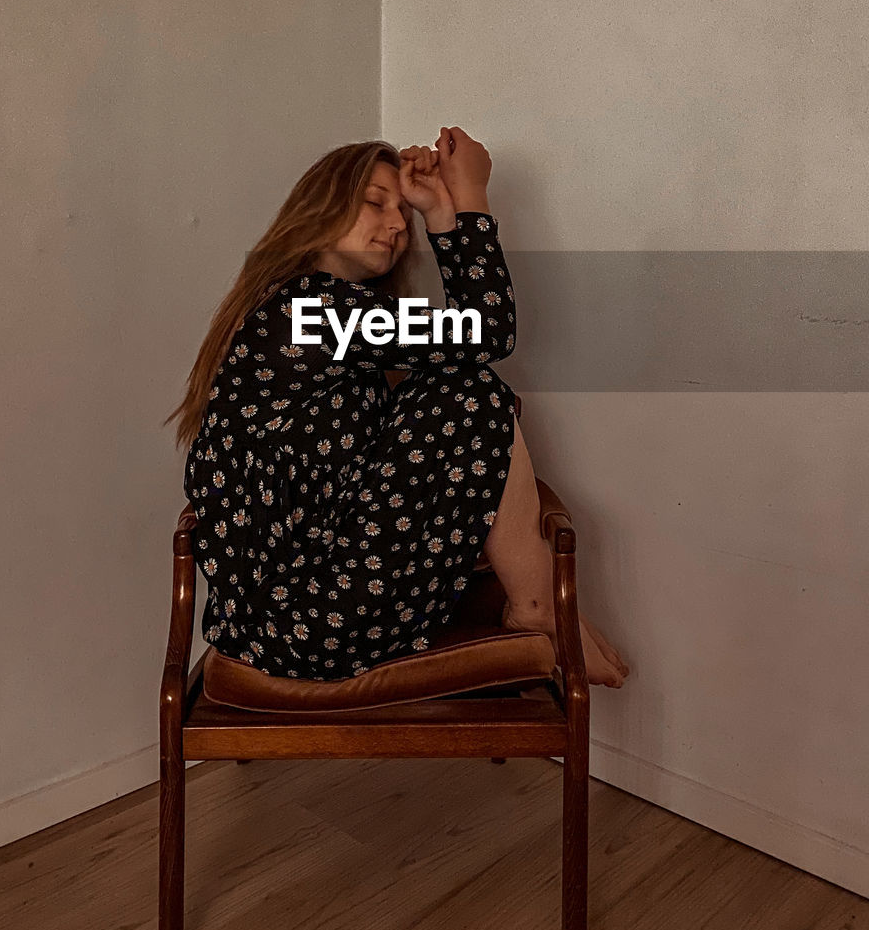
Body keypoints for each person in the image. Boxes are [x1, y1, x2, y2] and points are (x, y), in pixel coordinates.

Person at [167, 126, 629, 688]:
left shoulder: (311, 313)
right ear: (320, 208)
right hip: (309, 620)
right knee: (472, 392)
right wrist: (471, 198)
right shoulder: (310, 311)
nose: (395, 224)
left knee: (462, 386)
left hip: (294, 618)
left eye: (404, 218)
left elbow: (468, 343)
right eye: (374, 203)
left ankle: (535, 598)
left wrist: (436, 210)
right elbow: (487, 331)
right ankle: (537, 600)